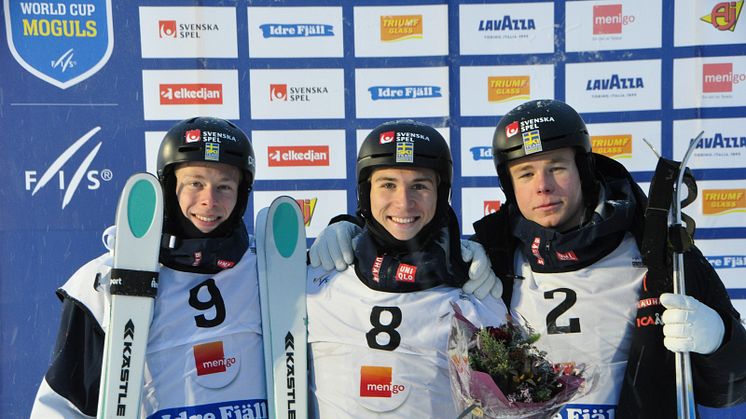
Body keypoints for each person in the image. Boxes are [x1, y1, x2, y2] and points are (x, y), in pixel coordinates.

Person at [308, 100, 746, 418]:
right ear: (508, 185)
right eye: (525, 173)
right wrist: (349, 225)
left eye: (555, 167)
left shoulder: (656, 249)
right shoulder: (492, 256)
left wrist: (719, 341)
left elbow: (735, 385)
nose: (543, 187)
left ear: (583, 170)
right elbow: (406, 238)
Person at [31, 117, 267, 418]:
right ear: (168, 188)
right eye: (195, 183)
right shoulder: (104, 281)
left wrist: (343, 232)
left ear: (242, 194)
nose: (209, 200)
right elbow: (63, 406)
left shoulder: (267, 273)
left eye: (224, 186)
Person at [306, 120, 508, 417]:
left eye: (420, 186)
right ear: (366, 192)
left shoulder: (474, 287)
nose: (404, 202)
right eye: (388, 184)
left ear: (441, 195)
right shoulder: (317, 278)